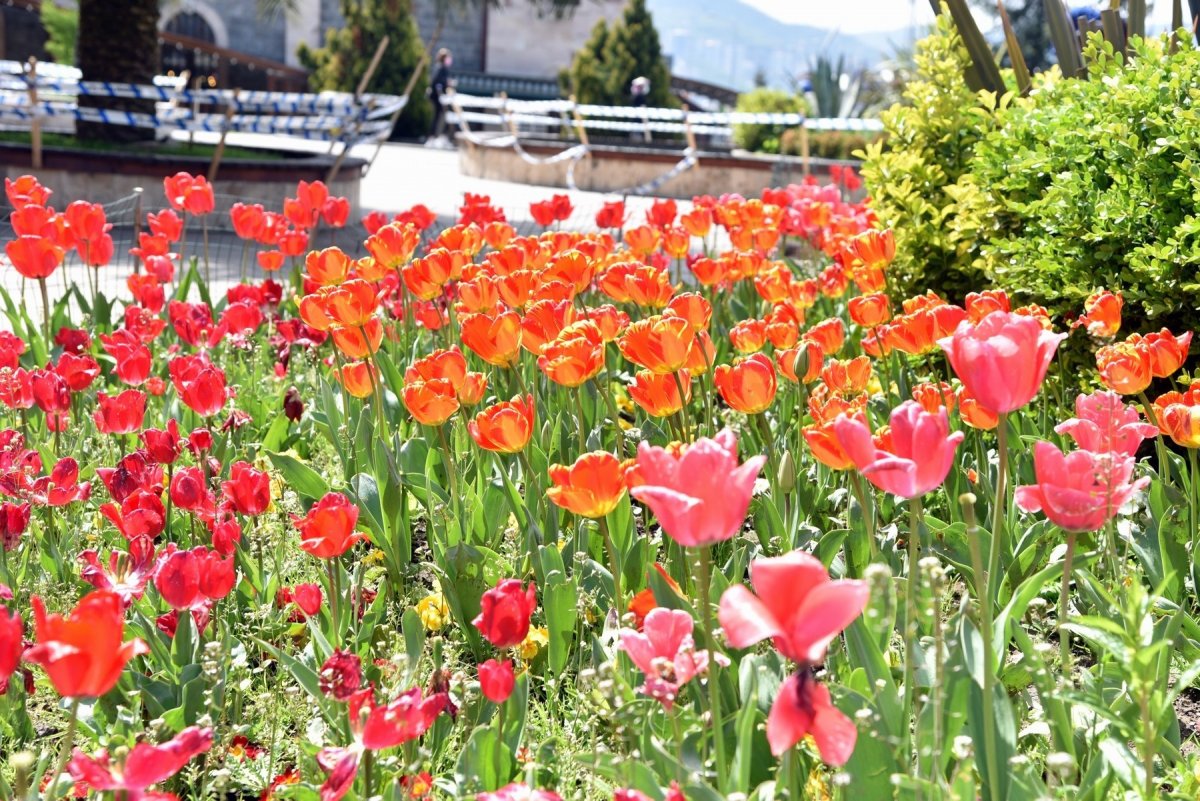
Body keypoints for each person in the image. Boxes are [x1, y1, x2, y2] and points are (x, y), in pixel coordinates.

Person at [426, 48, 452, 147]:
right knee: (439, 117)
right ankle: (435, 137)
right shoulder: (441, 69)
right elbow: (438, 83)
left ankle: (437, 137)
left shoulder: (440, 68)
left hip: (439, 97)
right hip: (439, 97)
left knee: (439, 117)